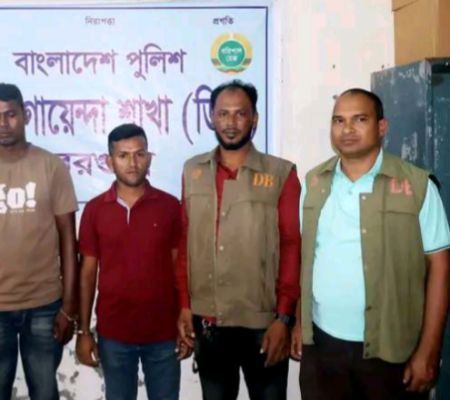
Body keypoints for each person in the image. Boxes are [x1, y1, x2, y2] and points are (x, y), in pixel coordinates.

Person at [293, 88, 450, 400]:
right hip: (323, 346)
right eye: (339, 120)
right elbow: (308, 258)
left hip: (393, 348)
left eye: (359, 119)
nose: (347, 129)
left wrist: (429, 350)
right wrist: (299, 323)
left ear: (382, 127)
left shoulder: (417, 185)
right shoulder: (314, 182)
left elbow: (440, 269)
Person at [177, 80, 301, 400]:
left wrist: (284, 318)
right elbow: (186, 241)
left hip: (264, 324)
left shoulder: (280, 173)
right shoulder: (193, 171)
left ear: (254, 119)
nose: (230, 123)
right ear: (211, 118)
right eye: (223, 114)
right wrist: (185, 306)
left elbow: (291, 246)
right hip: (209, 323)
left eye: (240, 114)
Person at [0, 83, 79, 400]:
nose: (4, 123)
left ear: (25, 115)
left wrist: (68, 306)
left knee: (45, 391)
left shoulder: (51, 166)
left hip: (45, 304)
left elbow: (68, 239)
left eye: (11, 114)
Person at [76, 123, 189, 400]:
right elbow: (87, 273)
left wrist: (185, 317)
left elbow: (180, 268)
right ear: (109, 162)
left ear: (149, 158)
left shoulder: (169, 207)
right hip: (114, 333)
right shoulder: (95, 210)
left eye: (139, 154)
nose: (132, 163)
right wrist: (83, 331)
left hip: (164, 333)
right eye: (123, 156)